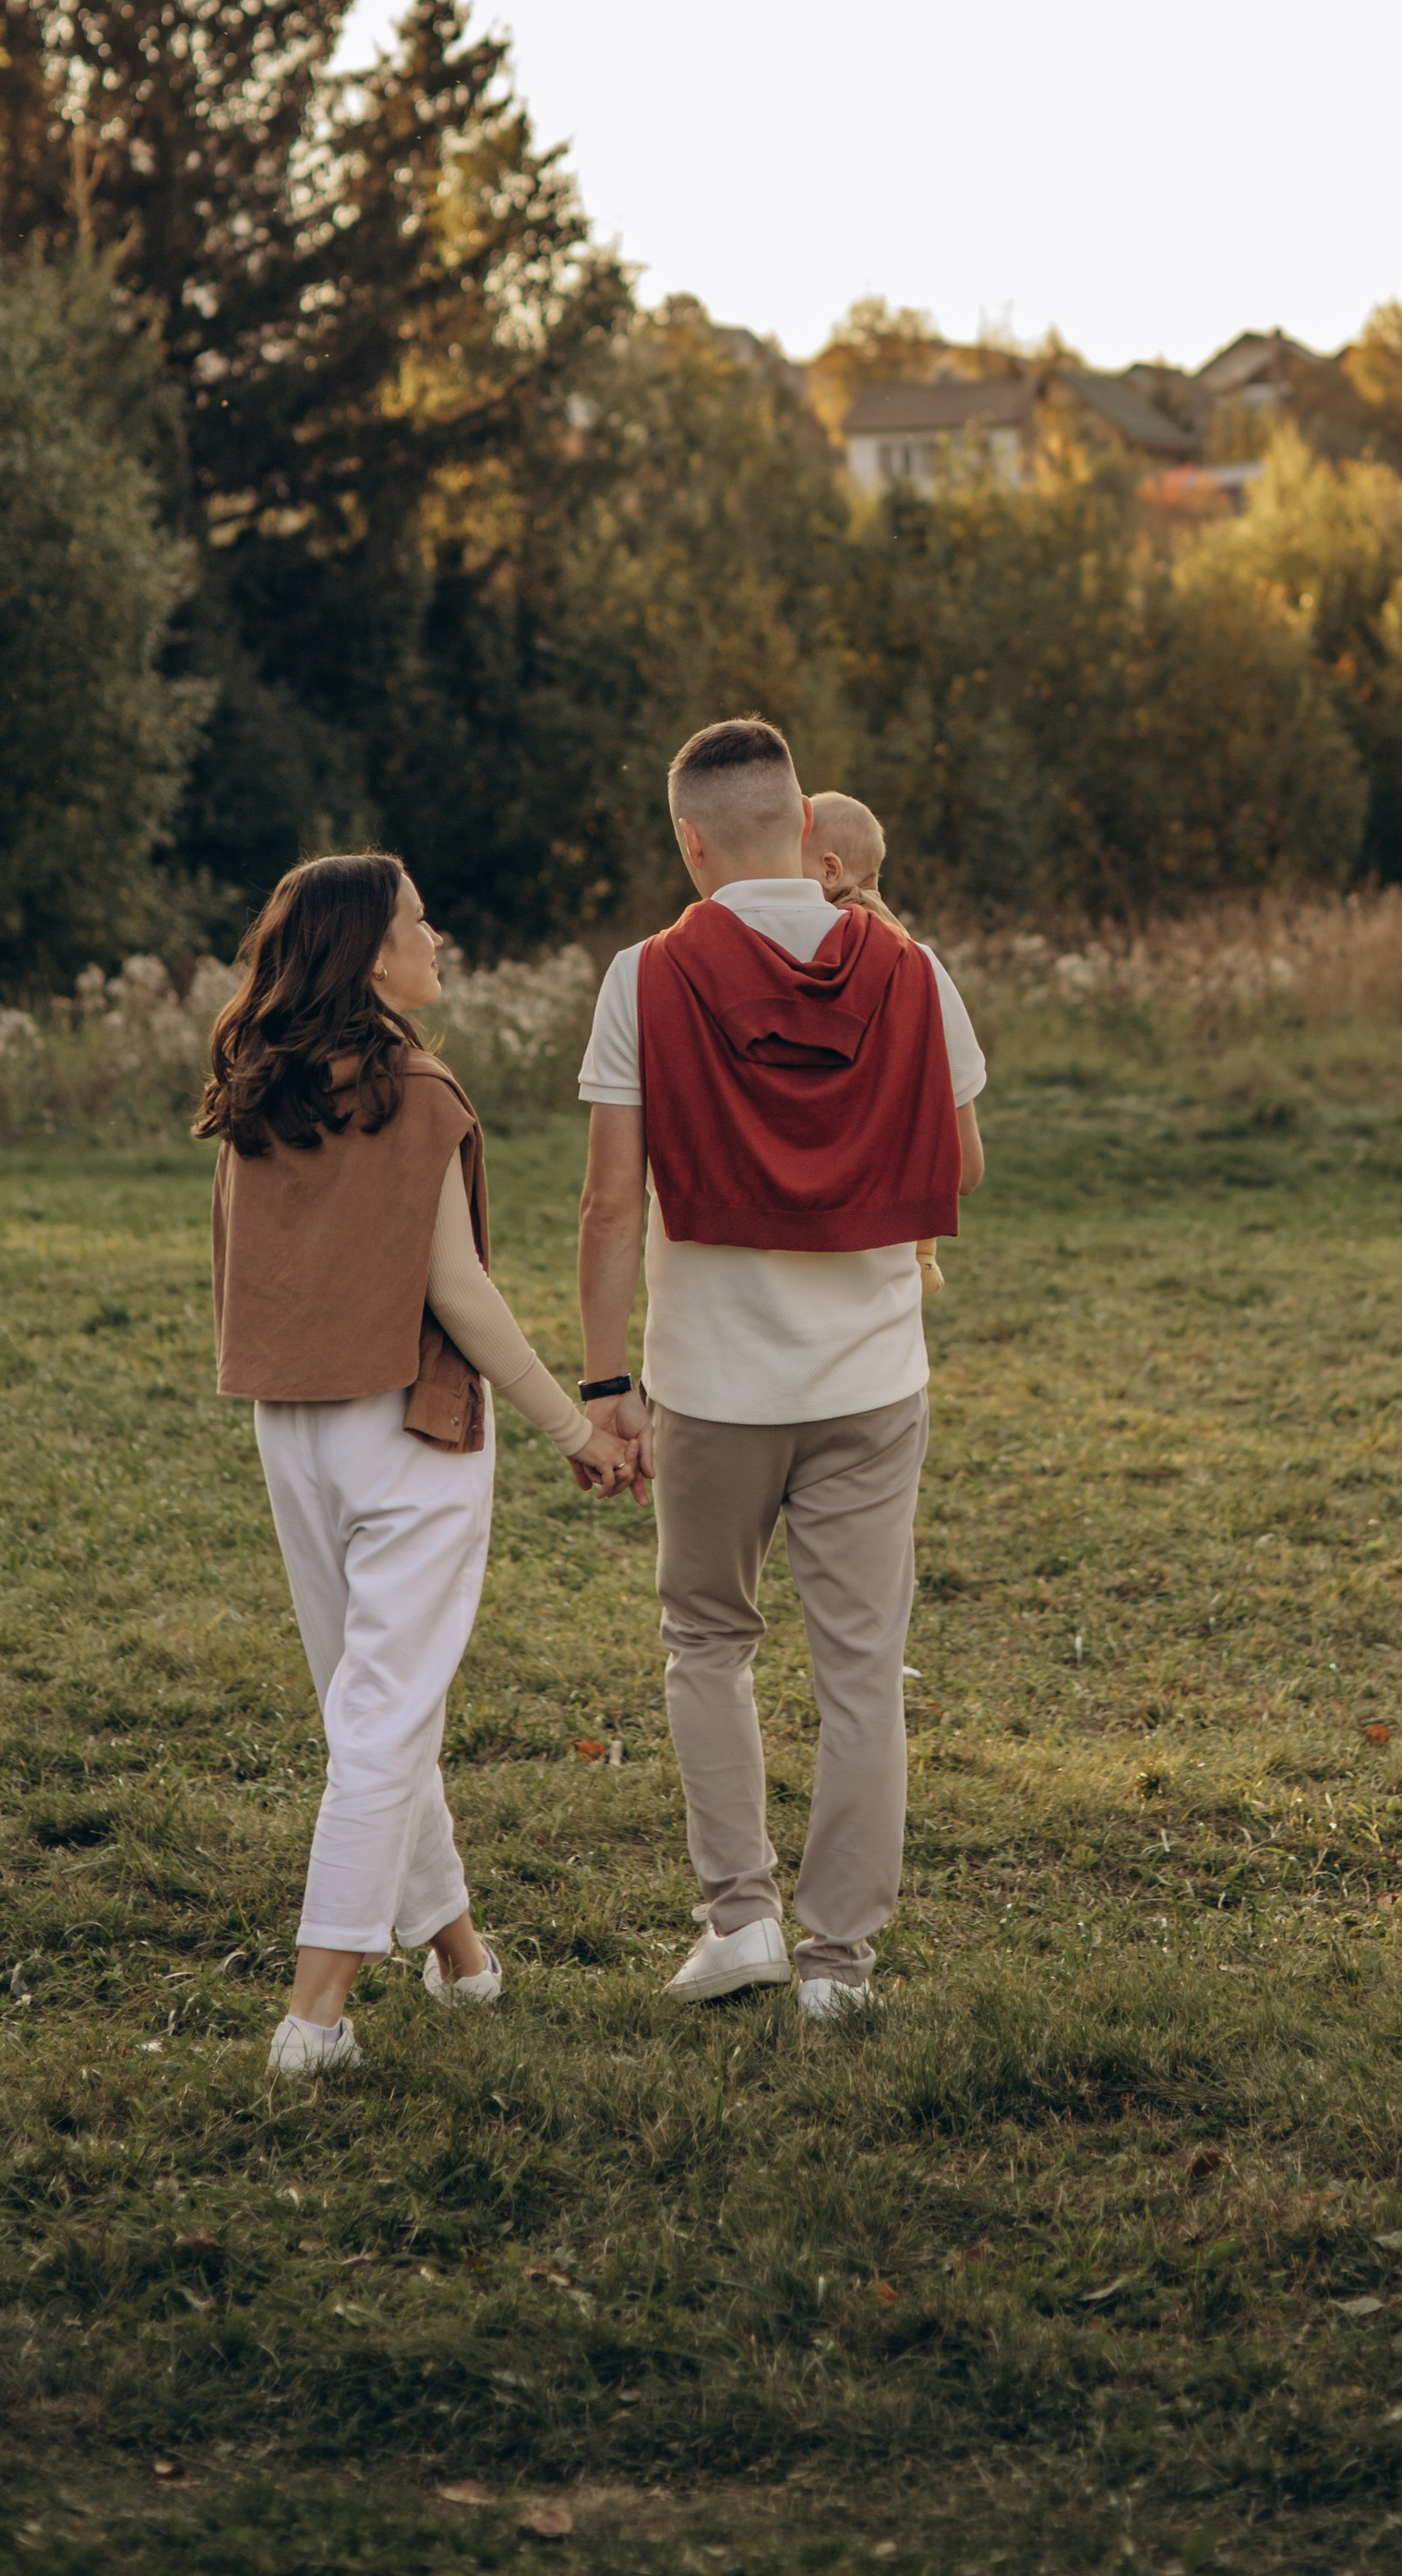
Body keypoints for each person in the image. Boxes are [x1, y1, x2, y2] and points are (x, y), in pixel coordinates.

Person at [573, 720, 987, 2021]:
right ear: (807, 822)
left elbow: (606, 1202)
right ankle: (839, 1968)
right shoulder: (914, 970)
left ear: (691, 841)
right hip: (870, 1378)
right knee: (861, 1669)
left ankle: (739, 1919)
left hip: (712, 1384)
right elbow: (961, 1165)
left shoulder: (644, 975)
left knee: (709, 1641)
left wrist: (602, 1386)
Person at [200, 851, 635, 2074]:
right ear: (367, 951)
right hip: (407, 1430)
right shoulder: (415, 1091)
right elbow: (460, 1291)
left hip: (291, 1427)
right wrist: (574, 1423)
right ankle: (315, 2015)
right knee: (383, 1724)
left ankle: (461, 1957)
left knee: (377, 1709)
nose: (436, 934)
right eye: (415, 920)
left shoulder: (259, 1085)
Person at [803, 788, 947, 1295]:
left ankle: (925, 1256)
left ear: (829, 870)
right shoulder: (899, 937)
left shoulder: (860, 927)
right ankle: (924, 1254)